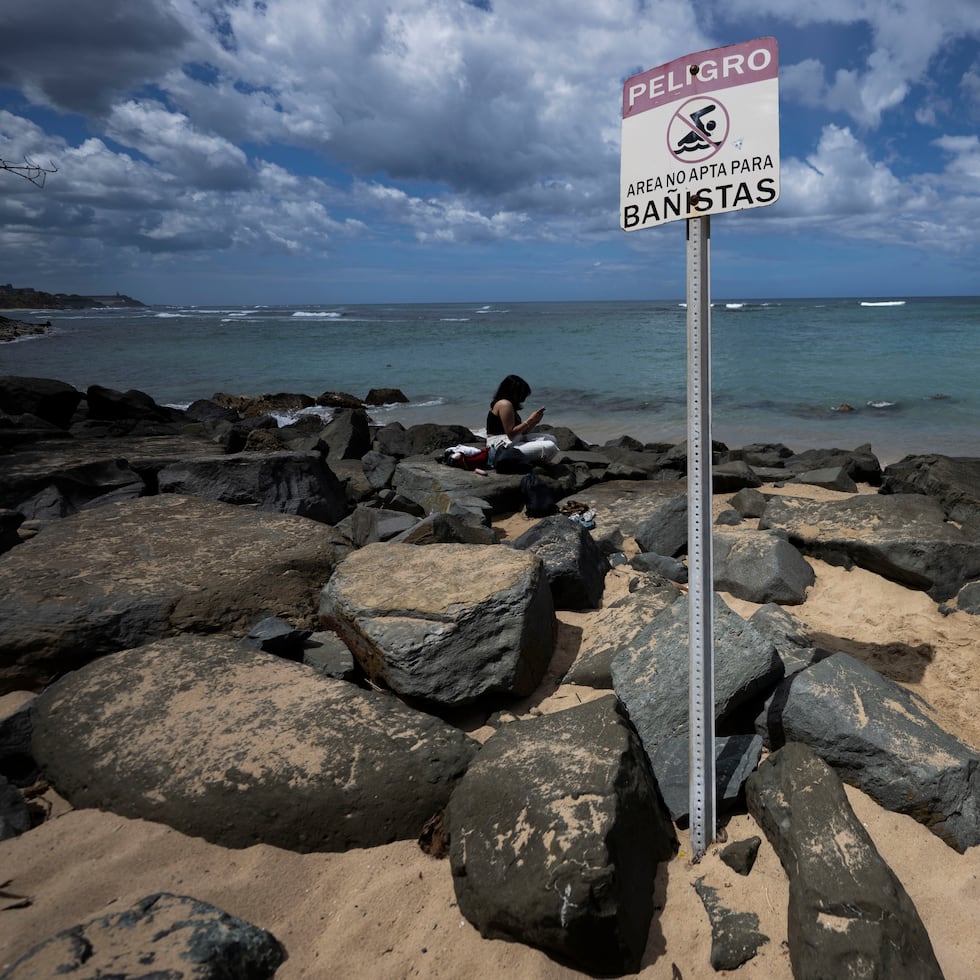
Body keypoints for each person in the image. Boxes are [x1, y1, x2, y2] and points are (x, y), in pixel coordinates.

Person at [486, 374, 559, 464]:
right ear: (513, 392)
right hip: (500, 447)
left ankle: (529, 459)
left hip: (511, 441)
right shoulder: (504, 404)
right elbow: (511, 433)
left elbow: (522, 432)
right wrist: (530, 420)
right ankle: (535, 463)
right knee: (550, 446)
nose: (523, 398)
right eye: (522, 393)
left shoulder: (509, 405)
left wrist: (535, 421)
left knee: (552, 439)